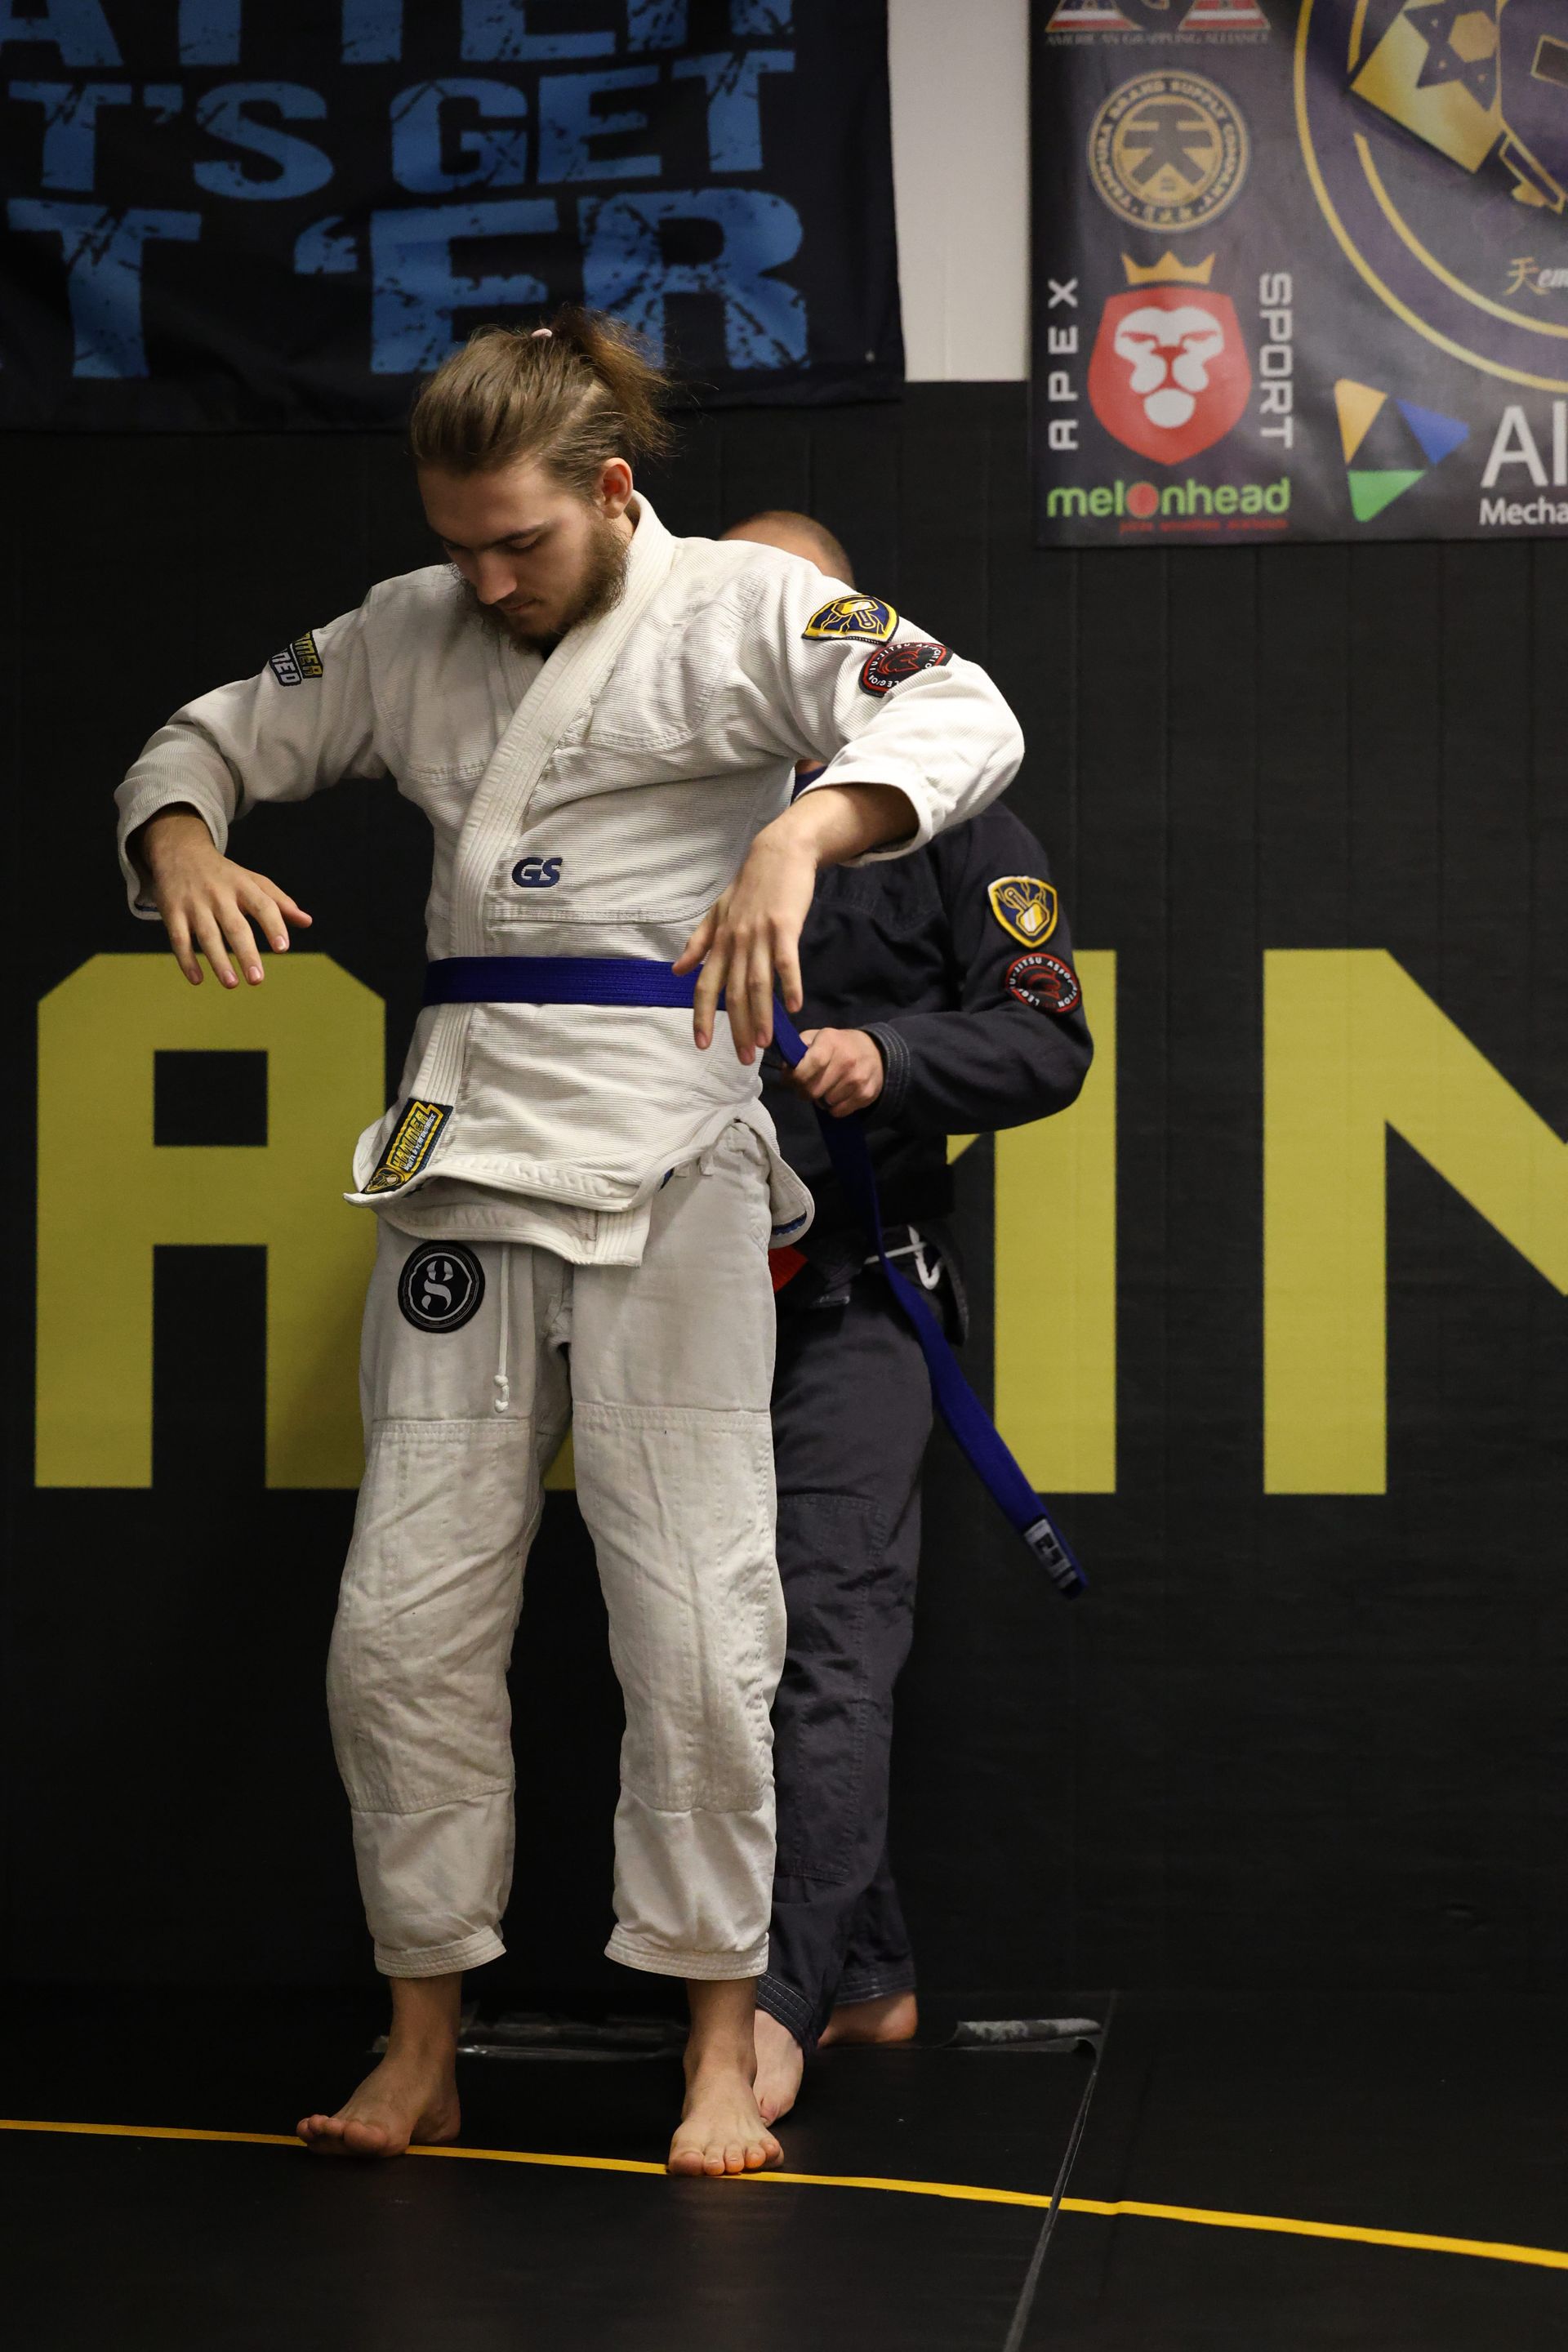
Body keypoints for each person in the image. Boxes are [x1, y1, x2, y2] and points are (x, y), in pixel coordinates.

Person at [112, 314, 1025, 2177]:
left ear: (616, 490)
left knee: (696, 1623)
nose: (488, 577)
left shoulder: (735, 618)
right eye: (459, 542)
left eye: (520, 540)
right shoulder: (413, 623)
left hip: (670, 1146)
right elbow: (205, 735)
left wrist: (802, 842)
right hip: (459, 1150)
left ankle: (714, 2049)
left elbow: (964, 711)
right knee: (397, 1631)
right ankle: (423, 2040)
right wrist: (189, 843)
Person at [718, 511, 1093, 2126]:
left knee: (823, 1639)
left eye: (801, 604)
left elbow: (1048, 1048)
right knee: (712, 1654)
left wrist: (897, 1061)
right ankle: (867, 1979)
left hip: (863, 1296)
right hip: (672, 1286)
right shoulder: (666, 794)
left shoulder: (955, 802)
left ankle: (777, 2011)